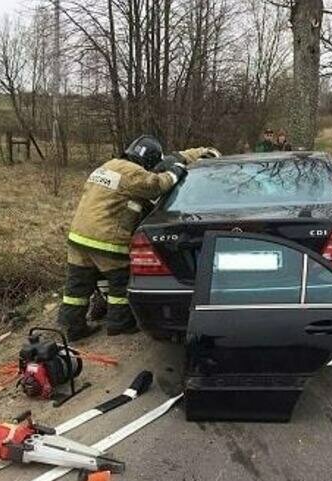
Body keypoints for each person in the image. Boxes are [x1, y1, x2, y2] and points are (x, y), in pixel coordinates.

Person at [58, 135, 216, 341]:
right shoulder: (132, 172)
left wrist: (201, 152)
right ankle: (119, 324)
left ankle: (73, 327)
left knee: (76, 286)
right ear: (149, 160)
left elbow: (175, 156)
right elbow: (156, 185)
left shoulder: (108, 166)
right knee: (120, 282)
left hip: (78, 236)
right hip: (105, 238)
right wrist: (175, 172)